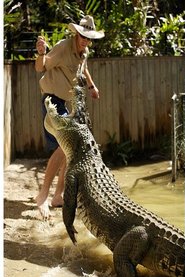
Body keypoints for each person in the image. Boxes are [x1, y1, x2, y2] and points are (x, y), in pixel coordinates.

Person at [34, 15, 104, 220]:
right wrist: (41, 53)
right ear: (77, 33)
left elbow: (84, 68)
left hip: (64, 102)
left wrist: (91, 86)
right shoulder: (64, 47)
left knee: (68, 149)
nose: (85, 40)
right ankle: (42, 196)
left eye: (88, 37)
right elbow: (41, 67)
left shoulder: (85, 51)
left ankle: (58, 196)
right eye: (82, 35)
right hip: (51, 100)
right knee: (64, 146)